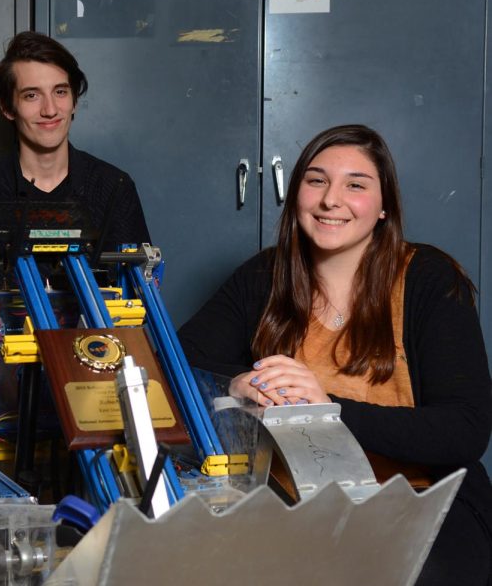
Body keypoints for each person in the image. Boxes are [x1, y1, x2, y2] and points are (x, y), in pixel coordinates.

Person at [178, 124, 491, 584]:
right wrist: (236, 382)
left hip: (424, 497)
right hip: (298, 500)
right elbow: (178, 359)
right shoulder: (264, 275)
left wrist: (328, 410)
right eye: (317, 180)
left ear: (384, 207)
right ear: (297, 193)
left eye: (356, 185)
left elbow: (464, 430)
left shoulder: (429, 279)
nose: (331, 199)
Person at [0, 30, 150, 289]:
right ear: (6, 108)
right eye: (31, 95)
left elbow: (138, 297)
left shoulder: (113, 188)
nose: (49, 110)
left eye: (60, 92)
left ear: (74, 101)